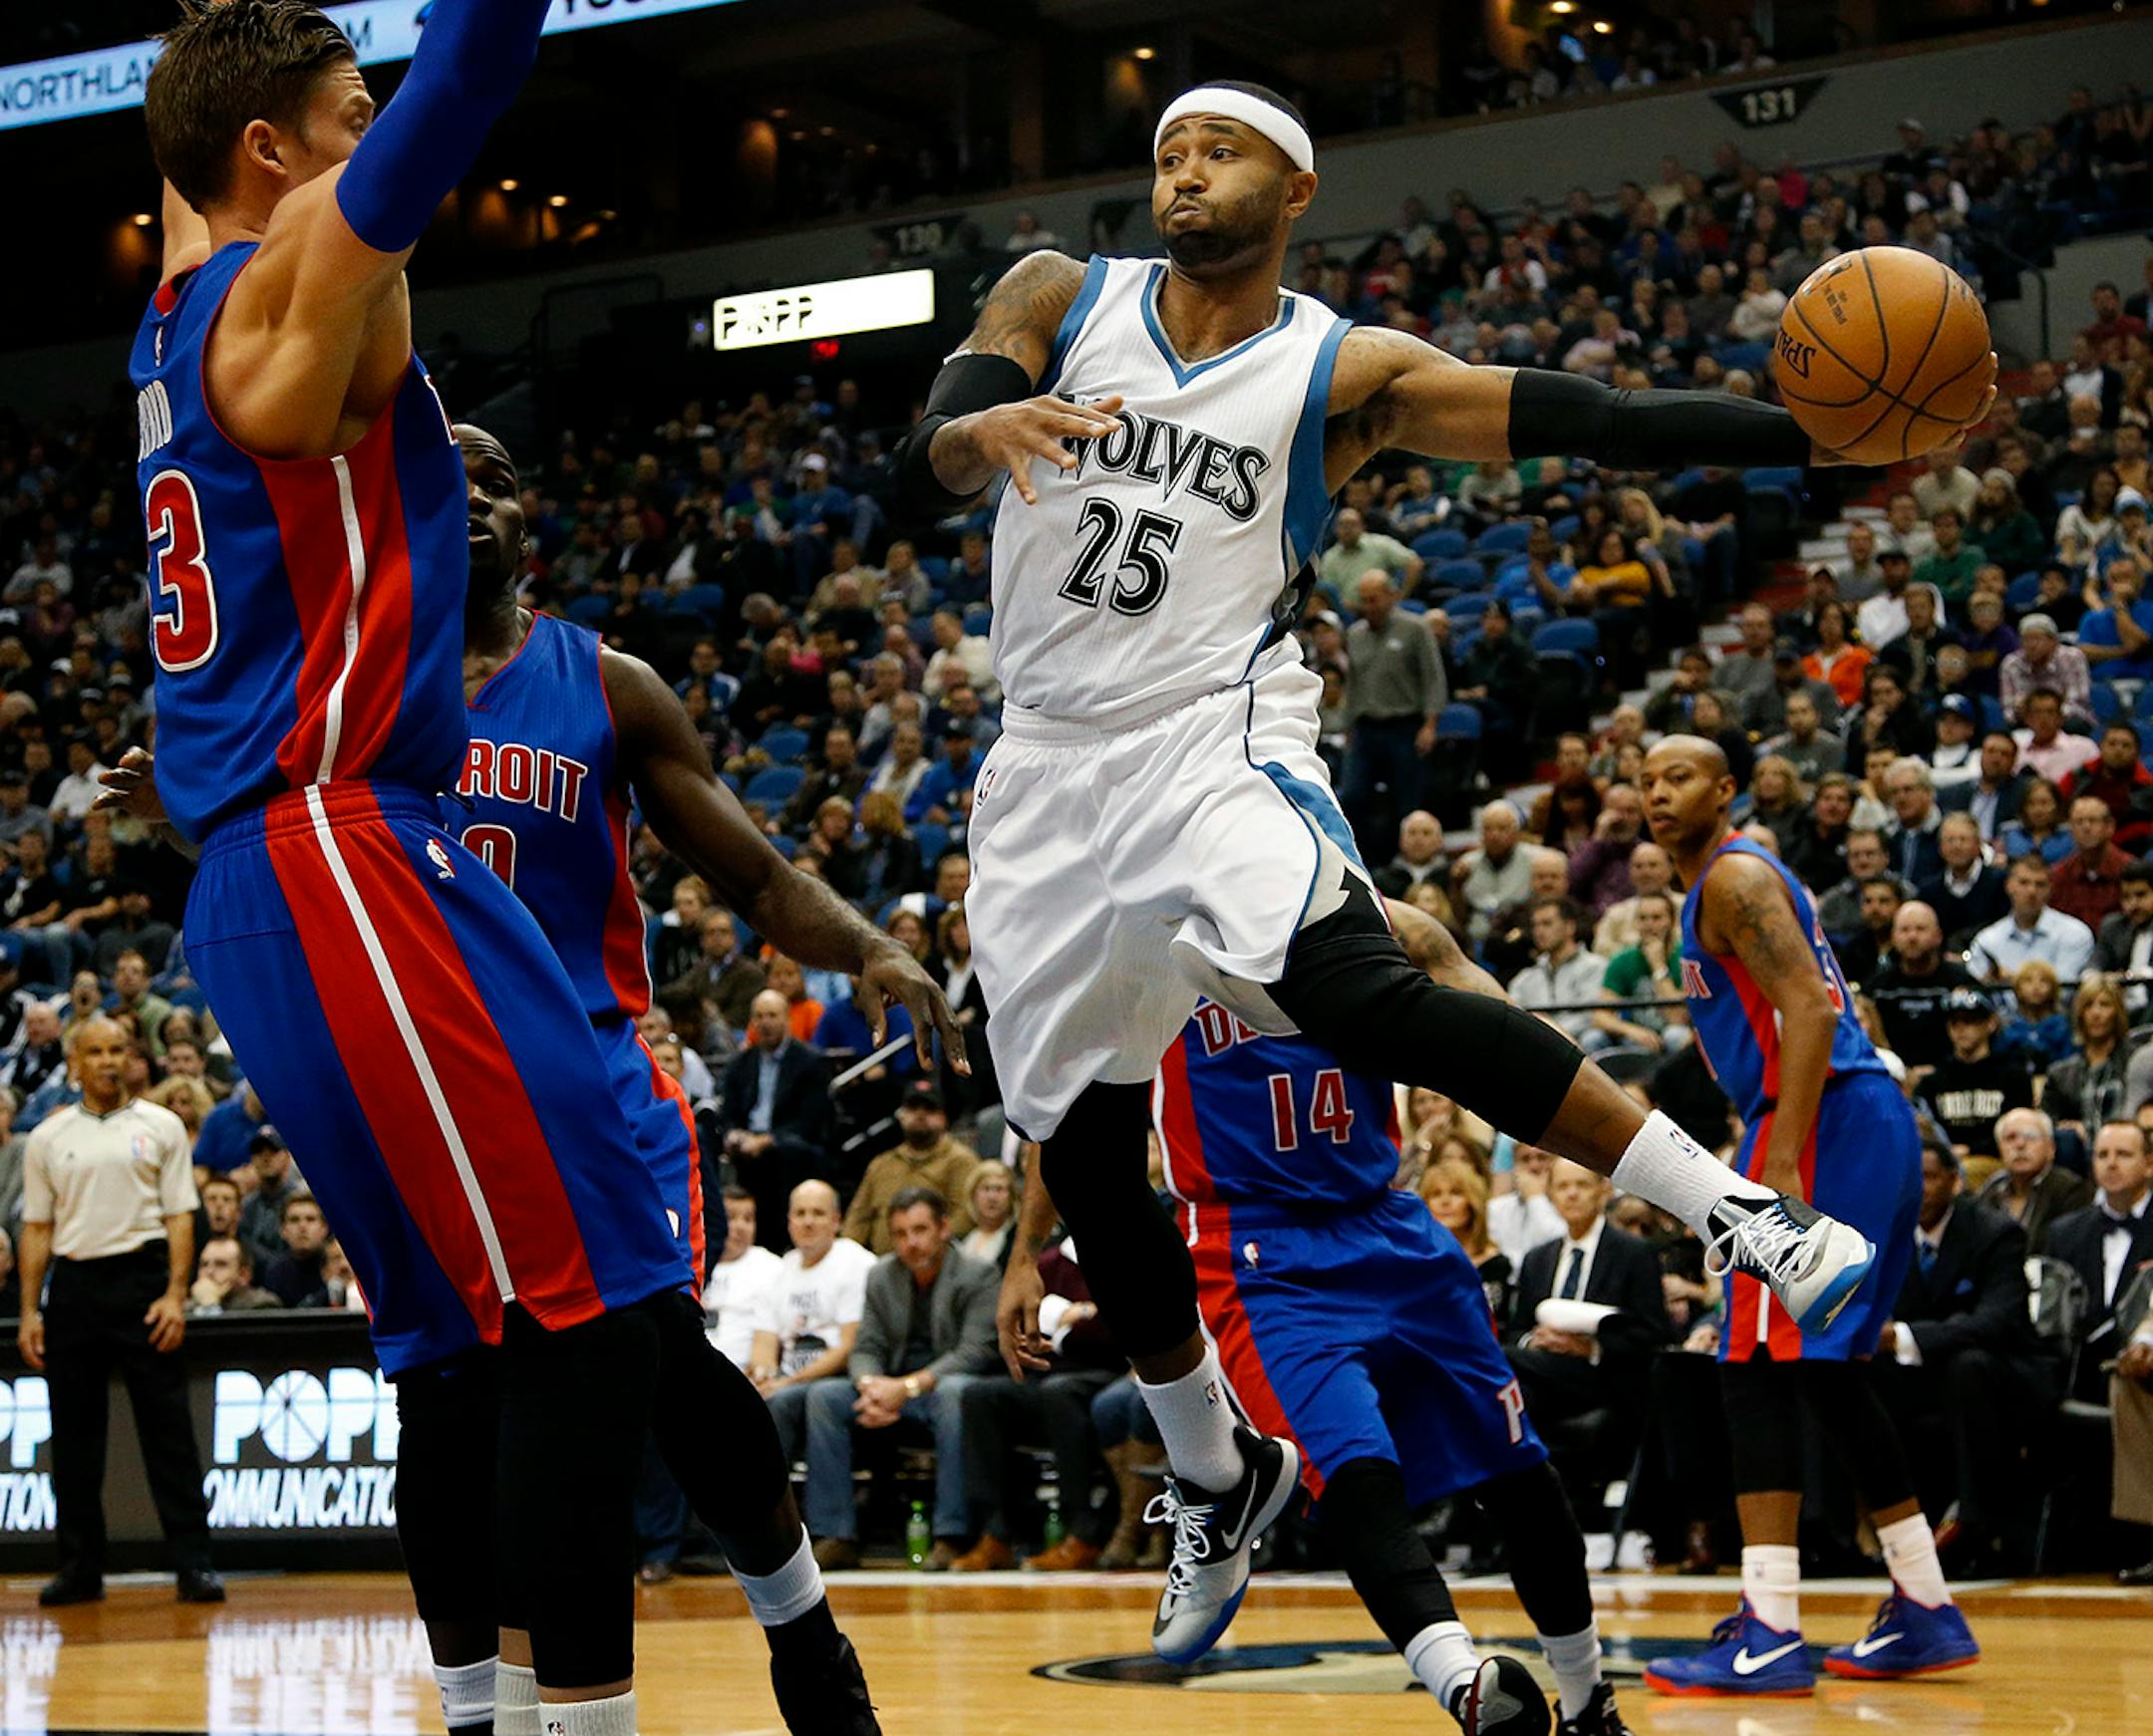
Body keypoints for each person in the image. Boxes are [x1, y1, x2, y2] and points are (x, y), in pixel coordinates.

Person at [899, 80, 1933, 1667]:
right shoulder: (1062, 292)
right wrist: (978, 427)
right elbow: (927, 465)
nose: (1184, 169)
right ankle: (1211, 1474)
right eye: (1169, 149)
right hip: (1038, 767)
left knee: (1355, 986)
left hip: (1209, 733)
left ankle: (1733, 1210)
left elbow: (1591, 421)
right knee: (1085, 1147)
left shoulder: (1341, 368)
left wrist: (1806, 432)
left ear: (1297, 188)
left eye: (1220, 148)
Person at [112, 420, 946, 1731]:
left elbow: (762, 877)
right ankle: (484, 1707)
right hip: (426, 1077)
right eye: (453, 472)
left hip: (596, 1066)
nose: (480, 493)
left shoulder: (606, 683)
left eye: (504, 474)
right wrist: (176, 816)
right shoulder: (337, 701)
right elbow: (264, 848)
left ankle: (801, 1634)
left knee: (645, 1353)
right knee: (445, 1384)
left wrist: (873, 949)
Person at [134, 5, 699, 1720]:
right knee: (578, 1315)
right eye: (341, 117)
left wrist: (212, 40)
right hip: (343, 850)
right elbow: (466, 79)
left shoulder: (176, 304)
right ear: (275, 156)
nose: (376, 141)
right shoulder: (281, 303)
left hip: (297, 865)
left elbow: (185, 149)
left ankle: (483, 1714)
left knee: (461, 1350)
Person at [1005, 952, 1636, 1735]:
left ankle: (1587, 1704)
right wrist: (1029, 1251)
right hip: (1259, 1251)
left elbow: (1490, 1014)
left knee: (1519, 1475)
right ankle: (1466, 1689)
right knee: (1352, 1476)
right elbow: (1066, 1107)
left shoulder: (1350, 908)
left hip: (1391, 1221)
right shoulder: (1147, 939)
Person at [1640, 736, 1977, 1696]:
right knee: (1825, 1377)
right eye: (1646, 782)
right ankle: (1925, 1605)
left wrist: (1779, 1160)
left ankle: (1770, 1628)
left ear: (1727, 789)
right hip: (1852, 1122)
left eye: (1680, 777)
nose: (1660, 793)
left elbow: (1813, 1013)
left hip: (1820, 1123)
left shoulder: (1737, 877)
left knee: (1750, 1367)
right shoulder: (1730, 882)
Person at [14, 1016, 218, 1605]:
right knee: (74, 1438)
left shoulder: (161, 1127)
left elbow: (181, 1215)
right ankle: (79, 1568)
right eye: (96, 1052)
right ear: (74, 1063)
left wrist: (175, 1296)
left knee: (170, 1433)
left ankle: (193, 1564)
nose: (108, 1061)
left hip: (143, 1280)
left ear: (132, 1058)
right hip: (74, 1287)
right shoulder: (49, 1138)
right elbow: (36, 1228)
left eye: (118, 1050)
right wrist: (31, 1311)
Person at [1875, 1137, 2056, 1574]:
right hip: (1929, 1373)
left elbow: (1996, 1323)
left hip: (2006, 1373)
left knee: (1967, 1366)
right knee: (1853, 1370)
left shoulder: (1996, 1233)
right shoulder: (1890, 1237)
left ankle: (1975, 1526)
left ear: (1955, 1182)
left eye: (1929, 1177)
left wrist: (1901, 1335)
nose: (1917, 1189)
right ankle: (1868, 1528)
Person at [799, 1187, 1000, 1571]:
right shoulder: (881, 1275)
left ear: (944, 1228)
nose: (912, 1243)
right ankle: (836, 1533)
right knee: (824, 1397)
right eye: (901, 1233)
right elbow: (865, 1347)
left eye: (921, 1230)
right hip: (891, 1387)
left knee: (955, 1395)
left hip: (939, 1387)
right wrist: (870, 1387)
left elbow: (975, 1353)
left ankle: (950, 1534)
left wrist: (906, 1388)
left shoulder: (978, 1274)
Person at [2044, 1122, 2153, 1404]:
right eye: (2102, 1155)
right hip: (2078, 1373)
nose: (2111, 1164)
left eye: (2124, 1155)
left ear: (2149, 1164)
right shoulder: (2064, 1232)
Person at [841, 1081, 982, 1254]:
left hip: (937, 1264)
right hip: (880, 1267)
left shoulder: (962, 1161)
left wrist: (925, 1245)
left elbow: (967, 1215)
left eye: (929, 1109)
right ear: (902, 1115)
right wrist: (847, 1255)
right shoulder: (882, 1163)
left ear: (943, 1118)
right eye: (913, 1108)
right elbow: (858, 1218)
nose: (920, 1114)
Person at [1865, 901, 1982, 1074]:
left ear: (1938, 936)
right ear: (1893, 938)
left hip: (1951, 1077)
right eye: (1904, 930)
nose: (1912, 937)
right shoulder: (1877, 988)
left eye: (1920, 929)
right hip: (1891, 1076)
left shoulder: (1960, 982)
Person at [1921, 991, 2032, 1164]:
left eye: (1969, 1021)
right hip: (1943, 1162)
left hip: (1997, 1160)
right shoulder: (1933, 1081)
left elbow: (2019, 1129)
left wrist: (1971, 1150)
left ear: (1991, 1024)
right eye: (1954, 1023)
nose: (1961, 1029)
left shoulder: (2013, 1076)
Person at [1967, 855, 2096, 985]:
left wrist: (2013, 980)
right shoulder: (1987, 941)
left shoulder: (2075, 934)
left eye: (2040, 884)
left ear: (2050, 889)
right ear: (2008, 886)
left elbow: (2063, 992)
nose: (2032, 891)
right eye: (2023, 883)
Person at [1979, 1108, 2095, 1253]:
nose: (2020, 1145)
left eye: (2031, 1136)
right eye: (2010, 1138)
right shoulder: (1992, 1188)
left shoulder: (2071, 1190)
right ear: (1999, 1149)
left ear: (2051, 1148)